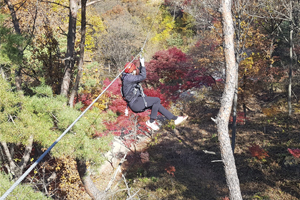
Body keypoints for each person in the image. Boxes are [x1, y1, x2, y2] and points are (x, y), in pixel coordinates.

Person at [121, 56, 188, 131]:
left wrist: (141, 63)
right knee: (156, 100)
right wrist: (142, 64)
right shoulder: (129, 78)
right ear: (131, 71)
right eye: (134, 70)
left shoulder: (127, 78)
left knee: (157, 105)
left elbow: (138, 74)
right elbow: (142, 76)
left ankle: (175, 119)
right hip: (136, 103)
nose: (135, 72)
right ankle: (151, 122)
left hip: (137, 102)